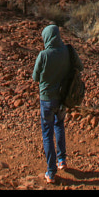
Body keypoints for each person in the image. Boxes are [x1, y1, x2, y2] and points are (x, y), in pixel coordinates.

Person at [31, 24, 81, 184]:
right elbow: (79, 67)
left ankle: (51, 172)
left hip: (47, 99)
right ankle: (61, 160)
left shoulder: (44, 55)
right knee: (59, 124)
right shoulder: (67, 51)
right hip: (62, 97)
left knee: (47, 132)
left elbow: (35, 77)